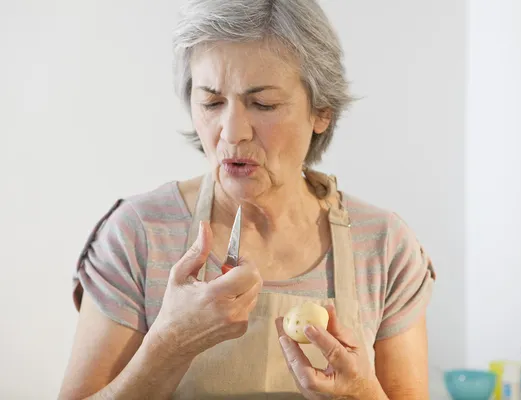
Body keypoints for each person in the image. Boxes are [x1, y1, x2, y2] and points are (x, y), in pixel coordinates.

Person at [58, 0, 436, 399]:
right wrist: (169, 345)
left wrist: (361, 392)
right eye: (211, 102)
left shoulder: (384, 246)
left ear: (321, 112)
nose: (233, 131)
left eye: (263, 104)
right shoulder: (138, 235)